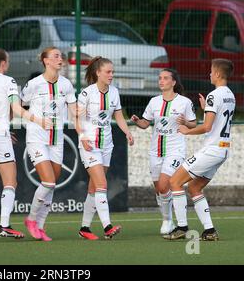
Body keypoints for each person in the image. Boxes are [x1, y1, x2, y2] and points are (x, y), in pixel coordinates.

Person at [0, 48, 51, 241]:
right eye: (8, 61)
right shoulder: (9, 81)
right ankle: (4, 225)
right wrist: (37, 120)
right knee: (10, 182)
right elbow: (16, 108)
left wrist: (3, 128)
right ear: (3, 63)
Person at [164, 58, 235, 241]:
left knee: (175, 182)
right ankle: (209, 231)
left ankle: (181, 227)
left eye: (211, 71)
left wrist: (187, 131)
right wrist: (206, 109)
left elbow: (207, 127)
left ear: (218, 74)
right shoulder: (230, 95)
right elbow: (217, 119)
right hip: (223, 150)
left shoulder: (214, 95)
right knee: (194, 187)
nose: (209, 74)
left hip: (211, 150)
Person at [130, 68, 196, 235]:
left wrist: (186, 122)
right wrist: (137, 121)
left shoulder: (184, 102)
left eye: (165, 78)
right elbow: (146, 124)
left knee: (164, 184)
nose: (161, 81)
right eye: (160, 78)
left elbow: (194, 124)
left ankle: (170, 221)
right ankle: (168, 219)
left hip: (175, 150)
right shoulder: (154, 102)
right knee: (159, 189)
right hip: (155, 151)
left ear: (173, 82)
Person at [21, 46, 77, 241]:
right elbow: (18, 106)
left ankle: (41, 226)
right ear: (45, 61)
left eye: (61, 56)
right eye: (55, 56)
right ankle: (30, 219)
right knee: (48, 181)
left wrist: (84, 133)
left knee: (52, 184)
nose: (60, 59)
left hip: (57, 139)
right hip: (37, 137)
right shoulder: (34, 84)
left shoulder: (67, 85)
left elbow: (74, 112)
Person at [76, 56, 134, 240]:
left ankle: (84, 228)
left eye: (112, 72)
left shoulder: (114, 92)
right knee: (102, 184)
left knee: (94, 188)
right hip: (89, 144)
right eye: (108, 72)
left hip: (106, 145)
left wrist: (127, 132)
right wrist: (83, 137)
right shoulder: (86, 94)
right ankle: (107, 226)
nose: (111, 75)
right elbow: (77, 119)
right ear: (98, 73)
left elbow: (118, 116)